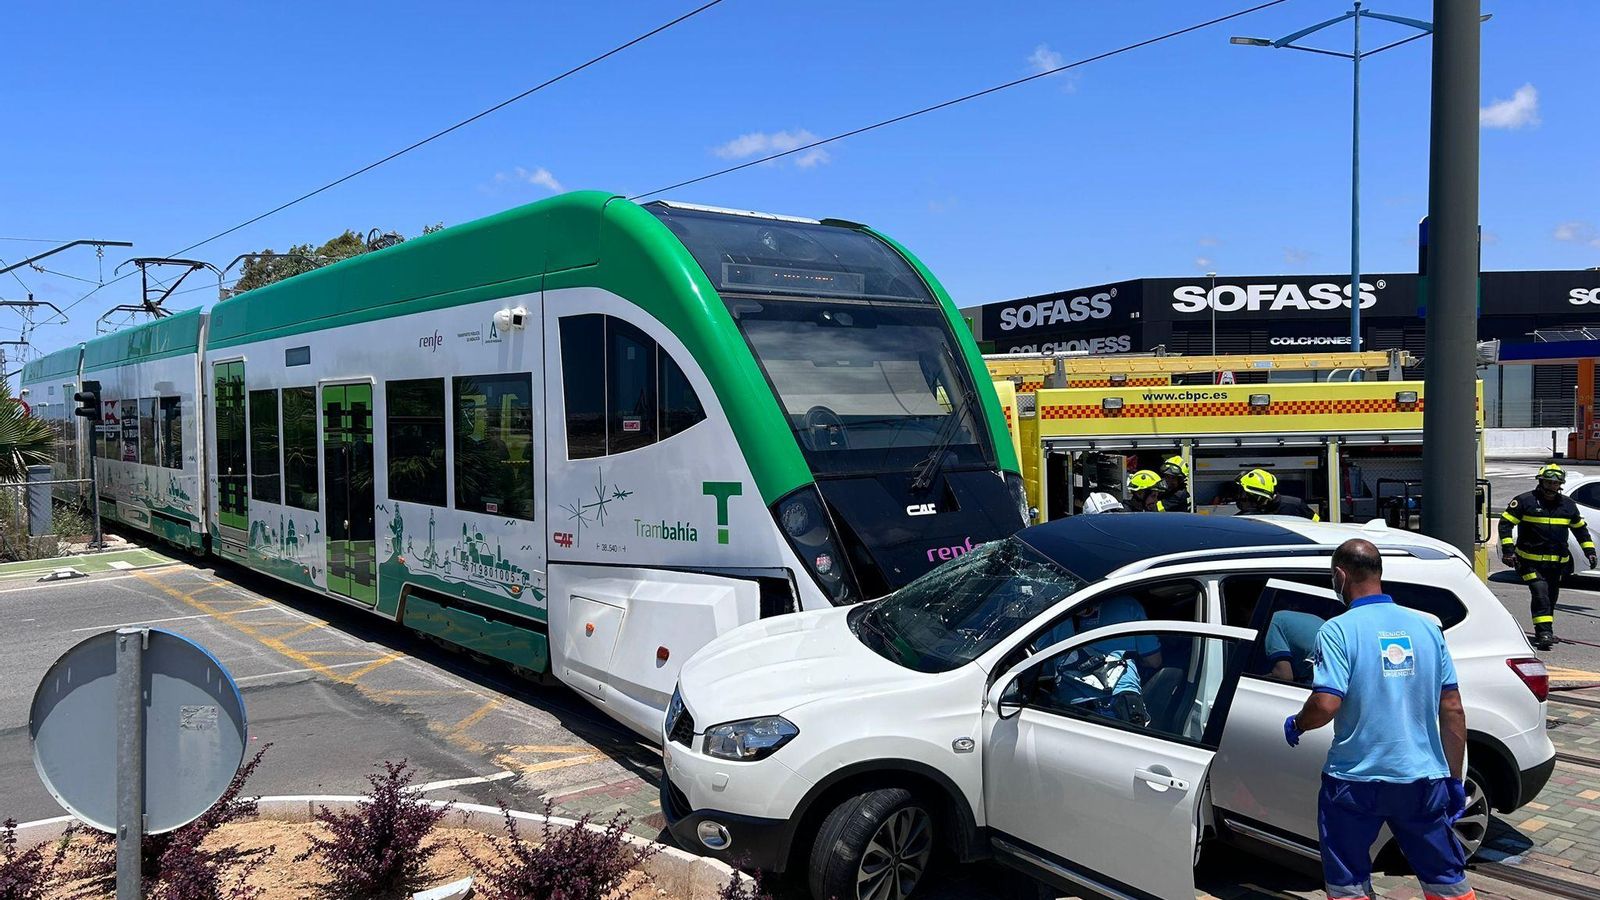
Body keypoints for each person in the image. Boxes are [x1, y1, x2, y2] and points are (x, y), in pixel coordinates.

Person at [1284, 539, 1473, 900]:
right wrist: (1452, 779)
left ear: (1340, 576)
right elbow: (1453, 709)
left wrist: (1299, 723)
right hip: (1422, 779)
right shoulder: (1427, 628)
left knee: (1349, 881)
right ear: (1378, 572)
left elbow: (1325, 704)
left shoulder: (1337, 630)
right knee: (1444, 875)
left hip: (1356, 782)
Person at [1499, 463, 1596, 651]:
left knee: (1550, 598)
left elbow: (1580, 530)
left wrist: (1589, 551)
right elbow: (1505, 525)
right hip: (1529, 562)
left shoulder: (1567, 505)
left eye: (1556, 483)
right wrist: (1508, 551)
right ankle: (1543, 633)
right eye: (1549, 482)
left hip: (1556, 565)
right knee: (1540, 594)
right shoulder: (1524, 501)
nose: (1553, 487)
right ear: (1541, 482)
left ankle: (1546, 630)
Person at [1041, 594, 1161, 726]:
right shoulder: (1126, 603)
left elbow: (1042, 661)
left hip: (1075, 701)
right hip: (1123, 697)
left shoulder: (1057, 607)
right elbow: (1154, 661)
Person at [1235, 468, 1320, 521]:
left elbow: (1318, 526)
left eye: (1245, 495)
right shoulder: (1243, 517)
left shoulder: (1294, 506)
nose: (1242, 497)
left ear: (1259, 498)